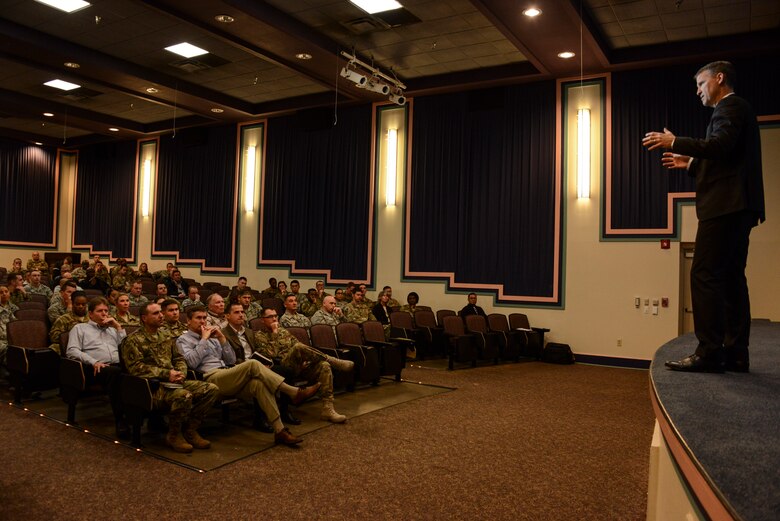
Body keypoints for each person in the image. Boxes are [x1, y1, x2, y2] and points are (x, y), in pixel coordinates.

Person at [643, 61, 765, 373]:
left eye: (701, 83)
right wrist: (690, 163)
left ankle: (709, 352)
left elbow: (720, 146)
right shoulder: (738, 110)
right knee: (731, 279)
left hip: (724, 206)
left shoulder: (729, 106)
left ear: (719, 78)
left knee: (704, 274)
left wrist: (675, 142)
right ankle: (736, 353)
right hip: (740, 206)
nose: (698, 91)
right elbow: (727, 156)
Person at [177, 305, 318, 445]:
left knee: (259, 385)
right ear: (188, 321)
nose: (202, 321)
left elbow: (231, 360)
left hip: (226, 372)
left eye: (204, 318)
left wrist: (221, 339)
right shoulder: (183, 340)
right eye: (198, 318)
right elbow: (192, 363)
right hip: (209, 378)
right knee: (252, 364)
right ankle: (293, 392)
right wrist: (204, 339)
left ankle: (280, 431)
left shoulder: (213, 338)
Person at [122, 303, 219, 453]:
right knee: (183, 395)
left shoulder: (165, 335)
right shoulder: (133, 340)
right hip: (152, 387)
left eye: (161, 312)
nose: (161, 315)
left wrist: (180, 373)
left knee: (210, 389)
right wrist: (167, 374)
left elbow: (179, 358)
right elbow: (136, 368)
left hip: (174, 381)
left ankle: (190, 430)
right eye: (155, 313)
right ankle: (174, 435)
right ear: (144, 318)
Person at [254, 307, 354, 423]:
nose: (274, 319)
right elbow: (271, 355)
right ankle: (332, 360)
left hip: (298, 365)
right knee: (298, 348)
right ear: (263, 320)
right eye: (270, 317)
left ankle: (328, 408)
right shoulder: (259, 335)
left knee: (324, 365)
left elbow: (299, 345)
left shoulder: (284, 331)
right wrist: (275, 333)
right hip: (281, 366)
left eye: (275, 316)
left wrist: (304, 361)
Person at [66, 297, 129, 438]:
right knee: (116, 373)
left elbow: (126, 348)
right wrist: (93, 361)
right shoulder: (80, 328)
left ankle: (148, 417)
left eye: (106, 311)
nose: (104, 314)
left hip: (116, 366)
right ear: (90, 314)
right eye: (100, 311)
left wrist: (118, 327)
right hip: (92, 368)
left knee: (134, 372)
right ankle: (121, 420)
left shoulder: (112, 330)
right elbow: (72, 351)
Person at [0, 284, 18, 366]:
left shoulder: (11, 308)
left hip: (10, 338)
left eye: (6, 292)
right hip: (1, 339)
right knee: (9, 349)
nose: (4, 294)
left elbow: (15, 324)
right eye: (1, 292)